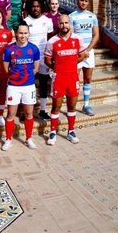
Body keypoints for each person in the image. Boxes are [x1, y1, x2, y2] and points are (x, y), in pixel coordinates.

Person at [44, 14, 86, 145]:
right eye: (62, 23)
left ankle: (71, 131)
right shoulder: (52, 41)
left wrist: (73, 63)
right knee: (56, 106)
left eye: (66, 23)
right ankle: (52, 132)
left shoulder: (78, 39)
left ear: (70, 24)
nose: (64, 26)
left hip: (73, 77)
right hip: (59, 78)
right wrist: (56, 68)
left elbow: (82, 55)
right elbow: (47, 60)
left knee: (72, 105)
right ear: (58, 24)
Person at [1, 23, 40, 150]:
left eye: (25, 33)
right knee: (11, 114)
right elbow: (6, 68)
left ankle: (29, 138)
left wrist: (27, 78)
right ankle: (8, 139)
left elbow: (36, 68)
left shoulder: (34, 49)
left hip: (29, 86)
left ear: (28, 34)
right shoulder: (9, 49)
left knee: (29, 114)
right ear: (16, 33)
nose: (22, 36)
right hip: (13, 86)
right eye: (20, 33)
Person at [69, 0, 99, 116]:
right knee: (75, 80)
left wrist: (87, 50)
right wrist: (80, 52)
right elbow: (71, 36)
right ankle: (72, 105)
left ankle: (86, 104)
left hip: (88, 52)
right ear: (78, 0)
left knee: (88, 78)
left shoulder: (92, 16)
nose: (83, 3)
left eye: (86, 1)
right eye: (82, 0)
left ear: (88, 2)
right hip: (77, 53)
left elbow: (96, 35)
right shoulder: (72, 16)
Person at [24, 0, 55, 120]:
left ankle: (42, 110)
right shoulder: (25, 21)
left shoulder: (47, 21)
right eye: (33, 6)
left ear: (41, 7)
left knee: (43, 83)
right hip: (30, 57)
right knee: (27, 84)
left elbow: (51, 39)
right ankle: (25, 111)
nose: (35, 8)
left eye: (38, 6)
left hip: (43, 57)